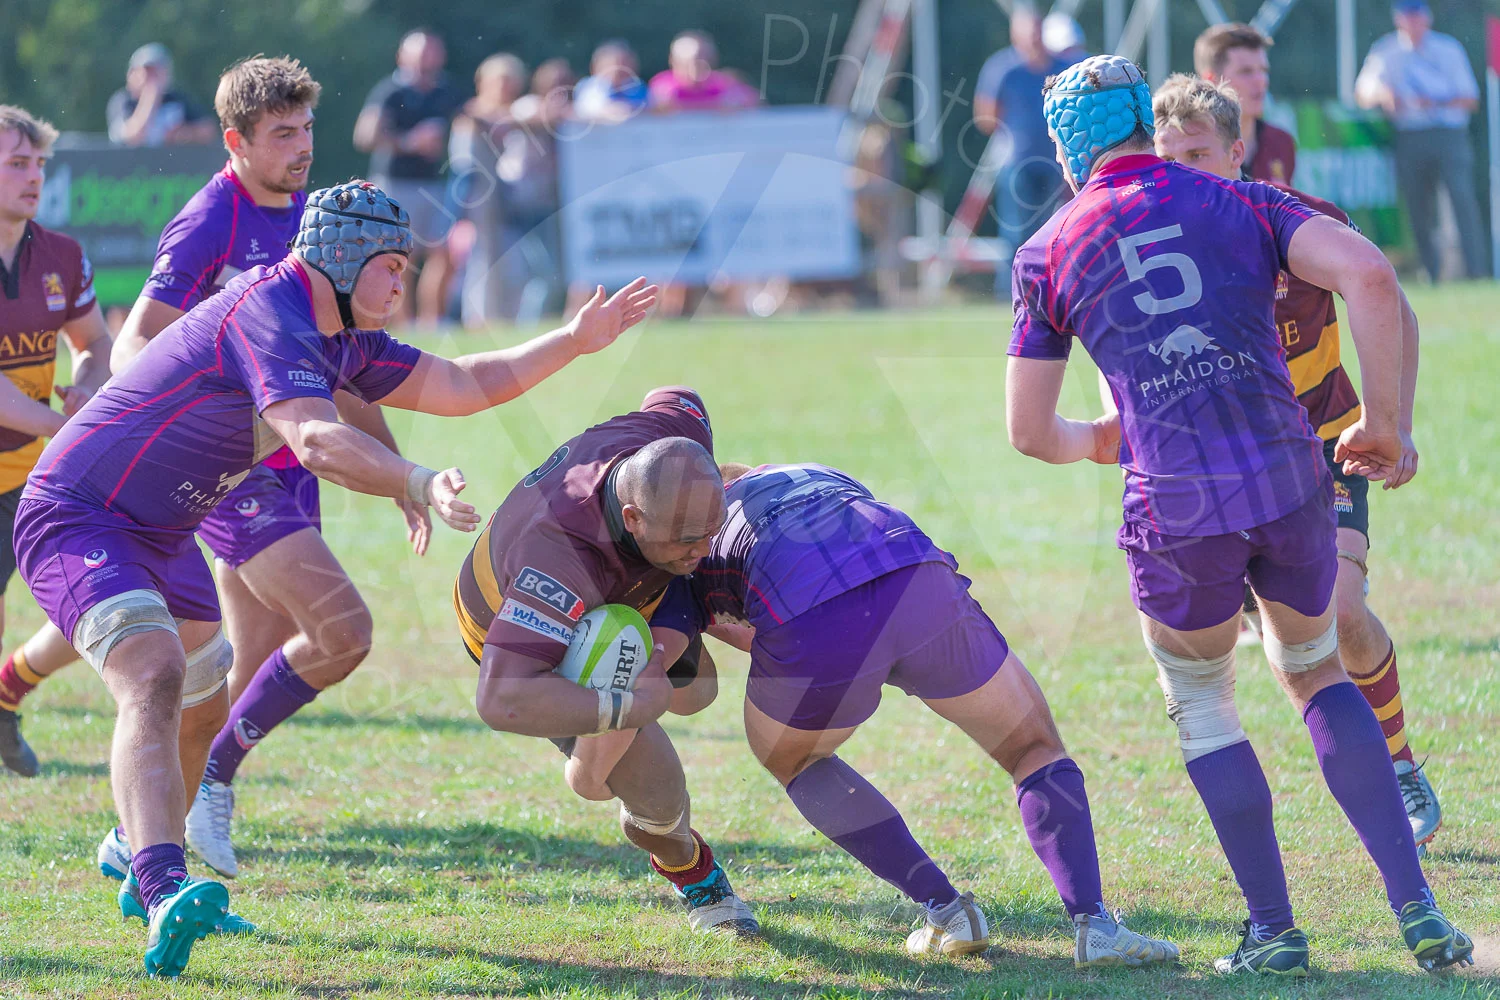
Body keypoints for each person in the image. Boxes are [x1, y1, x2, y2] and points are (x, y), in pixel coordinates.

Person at [14, 179, 655, 975]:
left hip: (166, 527)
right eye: (393, 267)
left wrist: (572, 339)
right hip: (80, 515)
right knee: (152, 675)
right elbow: (315, 440)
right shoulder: (270, 308)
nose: (404, 283)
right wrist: (415, 482)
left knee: (198, 712)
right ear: (345, 260)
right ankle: (162, 884)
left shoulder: (342, 334)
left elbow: (458, 382)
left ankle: (139, 848)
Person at [1005, 54, 1472, 975]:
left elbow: (1028, 433)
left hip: (1175, 506)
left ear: (1067, 151)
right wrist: (1385, 426)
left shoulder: (1047, 249)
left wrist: (1104, 440)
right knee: (1314, 669)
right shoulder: (1247, 200)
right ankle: (1416, 906)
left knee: (1205, 709)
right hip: (1290, 480)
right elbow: (1372, 278)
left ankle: (1275, 930)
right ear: (1148, 122)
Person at [86, 57, 422, 887]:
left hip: (293, 452)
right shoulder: (211, 219)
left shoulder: (316, 219)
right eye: (282, 134)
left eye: (307, 128)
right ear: (236, 142)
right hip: (226, 462)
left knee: (256, 649)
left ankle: (154, 821)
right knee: (320, 631)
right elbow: (136, 341)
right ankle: (200, 794)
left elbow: (346, 364)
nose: (302, 147)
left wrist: (393, 467)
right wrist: (180, 422)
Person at [629, 461, 1179, 965]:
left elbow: (731, 649)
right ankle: (1095, 925)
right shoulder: (805, 472)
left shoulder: (687, 547)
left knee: (793, 759)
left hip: (816, 614)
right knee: (1033, 746)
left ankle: (947, 912)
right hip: (914, 569)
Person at [1150, 73, 1443, 856]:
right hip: (1222, 471)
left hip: (1325, 445)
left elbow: (1386, 297)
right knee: (1291, 647)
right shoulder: (1152, 240)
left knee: (1341, 614)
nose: (1183, 169)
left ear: (1238, 152)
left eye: (1200, 153)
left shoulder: (1293, 221)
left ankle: (1402, 766)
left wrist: (1395, 425)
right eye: (1168, 155)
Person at [460, 394, 759, 938]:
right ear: (632, 516)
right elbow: (500, 696)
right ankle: (692, 871)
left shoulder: (672, 437)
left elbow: (681, 398)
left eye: (706, 535)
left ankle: (681, 623)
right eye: (687, 541)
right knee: (659, 793)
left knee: (697, 690)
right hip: (531, 639)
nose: (702, 549)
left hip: (617, 593)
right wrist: (626, 704)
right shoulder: (557, 561)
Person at [0, 107, 112, 777]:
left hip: (37, 476)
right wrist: (68, 424)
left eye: (39, 164)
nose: (34, 177)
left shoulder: (61, 255)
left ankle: (8, 690)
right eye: (17, 164)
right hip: (38, 454)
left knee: (102, 594)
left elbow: (94, 341)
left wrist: (89, 385)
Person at [1356, 0, 1485, 281]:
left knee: (1461, 200)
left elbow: (1470, 99)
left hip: (1448, 134)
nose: (1413, 22)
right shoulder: (1385, 51)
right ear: (1398, 19)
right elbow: (1363, 93)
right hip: (1409, 136)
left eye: (1417, 16)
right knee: (1418, 207)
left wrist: (1433, 101)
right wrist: (1383, 95)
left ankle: (1477, 272)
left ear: (1426, 18)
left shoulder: (1448, 49)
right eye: (1407, 16)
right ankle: (1432, 273)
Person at [354, 29, 466, 324]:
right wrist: (409, 142)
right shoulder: (391, 91)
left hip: (435, 183)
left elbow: (470, 116)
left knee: (443, 253)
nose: (425, 61)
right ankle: (405, 323)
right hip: (396, 184)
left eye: (430, 53)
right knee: (401, 257)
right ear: (402, 56)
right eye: (419, 54)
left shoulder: (445, 91)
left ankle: (432, 322)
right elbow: (365, 135)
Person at [973, 4, 1070, 284]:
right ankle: (1011, 290)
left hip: (1057, 164)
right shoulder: (1002, 68)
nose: (1035, 38)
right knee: (1016, 232)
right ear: (1016, 34)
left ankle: (1049, 291)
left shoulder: (1061, 68)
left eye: (1038, 31)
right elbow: (985, 117)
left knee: (1053, 230)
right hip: (1016, 163)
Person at [449, 54, 528, 328]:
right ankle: (479, 318)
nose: (506, 87)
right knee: (483, 257)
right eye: (500, 81)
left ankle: (505, 317)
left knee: (512, 261)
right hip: (480, 196)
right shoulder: (472, 114)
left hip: (507, 199)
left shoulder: (515, 114)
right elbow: (464, 158)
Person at [1194, 24, 1296, 185]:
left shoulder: (1281, 143)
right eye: (1246, 72)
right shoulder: (1189, 146)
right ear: (1211, 81)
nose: (1261, 81)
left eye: (1263, 71)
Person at [106, 44, 217, 148]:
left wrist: (184, 134)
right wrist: (150, 97)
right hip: (135, 166)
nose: (152, 78)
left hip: (172, 166)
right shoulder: (123, 101)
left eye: (157, 71)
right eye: (147, 71)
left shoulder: (177, 99)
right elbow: (133, 137)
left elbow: (208, 130)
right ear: (132, 74)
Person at [647, 31, 758, 112]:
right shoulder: (664, 84)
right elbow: (663, 105)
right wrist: (720, 106)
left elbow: (755, 103)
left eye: (706, 58)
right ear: (674, 61)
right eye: (693, 60)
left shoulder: (724, 82)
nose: (700, 64)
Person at [574, 41, 649, 123]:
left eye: (624, 64)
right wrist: (609, 110)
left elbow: (651, 107)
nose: (619, 70)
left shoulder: (637, 87)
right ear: (596, 68)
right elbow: (583, 110)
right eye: (613, 65)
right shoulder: (591, 87)